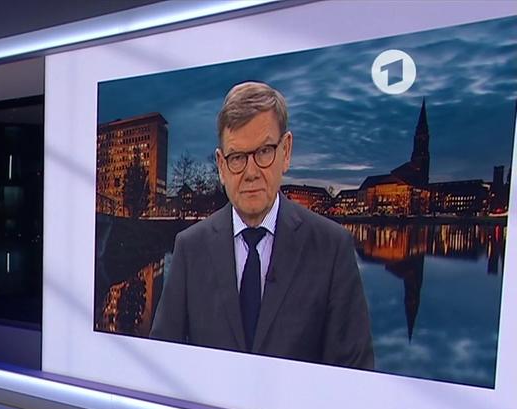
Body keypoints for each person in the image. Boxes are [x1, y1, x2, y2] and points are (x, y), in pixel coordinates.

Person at [150, 82, 375, 368]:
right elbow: (160, 365)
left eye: (265, 151)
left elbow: (355, 375)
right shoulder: (190, 247)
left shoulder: (332, 248)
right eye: (237, 157)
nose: (251, 172)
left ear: (286, 151)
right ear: (221, 165)